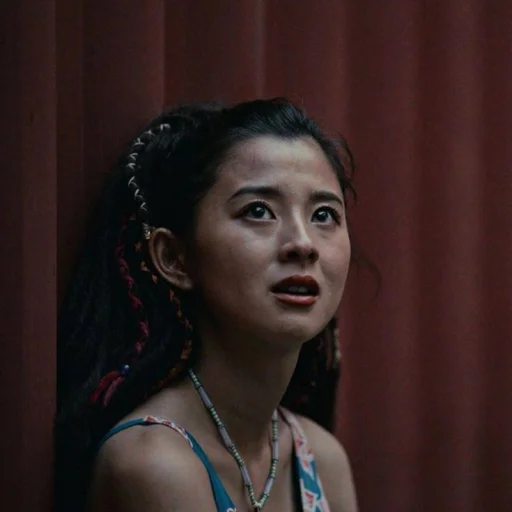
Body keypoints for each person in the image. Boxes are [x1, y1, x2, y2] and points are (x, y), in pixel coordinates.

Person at [55, 98, 359, 512]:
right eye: (258, 211)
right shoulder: (154, 463)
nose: (303, 244)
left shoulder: (321, 459)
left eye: (323, 215)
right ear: (174, 258)